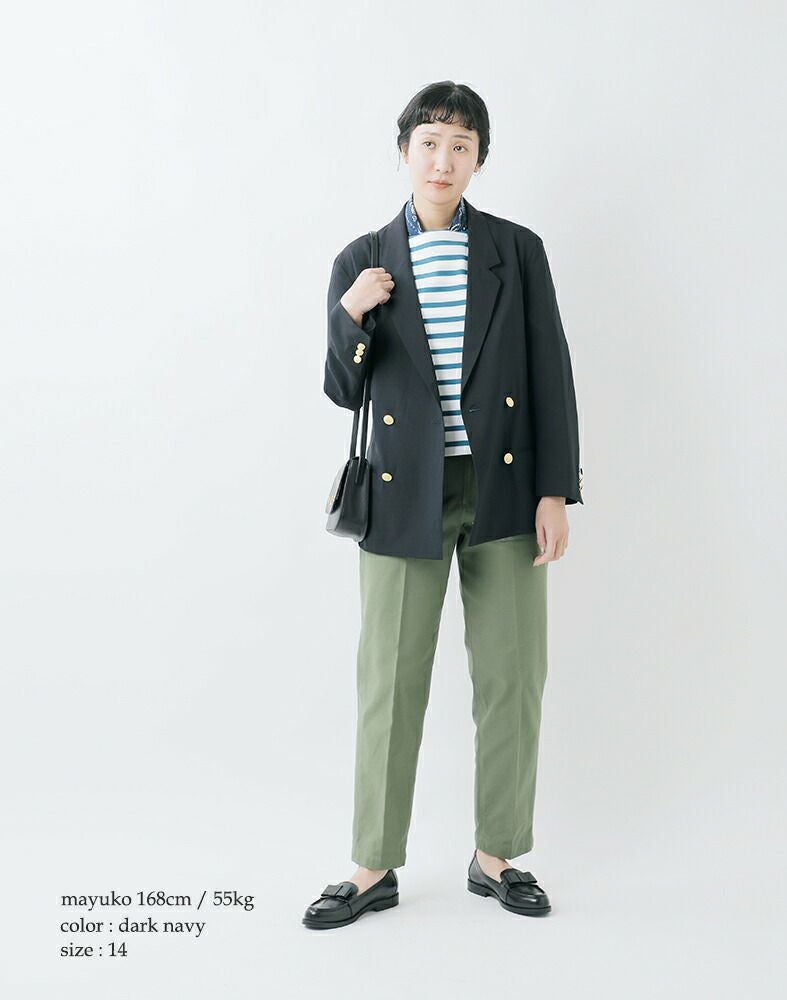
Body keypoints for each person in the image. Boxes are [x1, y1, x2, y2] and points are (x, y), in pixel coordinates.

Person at [303, 81, 583, 929]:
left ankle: (497, 857)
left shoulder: (516, 251)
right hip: (401, 495)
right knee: (389, 682)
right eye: (429, 142)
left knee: (512, 676)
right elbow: (340, 388)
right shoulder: (362, 259)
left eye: (461, 146)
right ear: (404, 152)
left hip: (504, 489)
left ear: (478, 159)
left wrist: (555, 489)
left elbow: (551, 373)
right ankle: (372, 866)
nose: (443, 160)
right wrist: (351, 316)